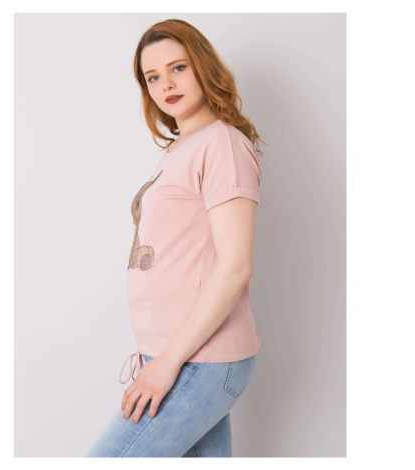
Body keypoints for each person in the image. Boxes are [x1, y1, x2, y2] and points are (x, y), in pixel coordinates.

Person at [85, 18, 266, 458]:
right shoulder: (180, 149)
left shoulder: (222, 144)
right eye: (152, 77)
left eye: (178, 67)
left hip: (197, 360)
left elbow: (235, 266)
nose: (165, 83)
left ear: (203, 66)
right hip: (177, 355)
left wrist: (167, 364)